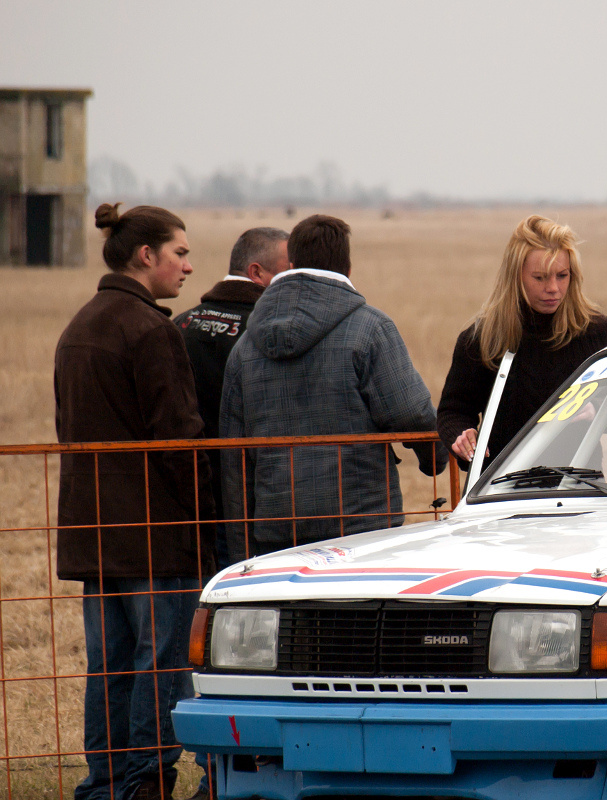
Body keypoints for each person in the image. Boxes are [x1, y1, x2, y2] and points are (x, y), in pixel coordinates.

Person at [56, 203, 214, 800]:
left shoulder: (79, 326)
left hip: (94, 534)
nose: (188, 266)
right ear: (145, 255)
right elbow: (179, 439)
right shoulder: (149, 329)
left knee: (109, 667)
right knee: (162, 663)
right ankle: (148, 781)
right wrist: (204, 517)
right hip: (154, 533)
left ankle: (106, 784)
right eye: (179, 252)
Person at [220, 214, 446, 561]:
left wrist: (242, 551)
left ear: (291, 264)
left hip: (278, 527)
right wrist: (434, 458)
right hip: (361, 526)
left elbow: (235, 456)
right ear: (348, 269)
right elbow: (410, 412)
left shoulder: (245, 346)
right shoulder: (371, 328)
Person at [437, 215, 607, 468]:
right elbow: (454, 411)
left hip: (581, 486)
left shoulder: (597, 332)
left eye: (562, 275)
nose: (553, 288)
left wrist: (595, 409)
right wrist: (461, 437)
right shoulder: (481, 338)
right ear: (515, 277)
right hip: (500, 488)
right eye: (540, 278)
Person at [175, 226, 289, 569]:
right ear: (257, 272)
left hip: (186, 505)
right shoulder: (271, 334)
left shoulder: (179, 326)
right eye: (290, 270)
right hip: (253, 506)